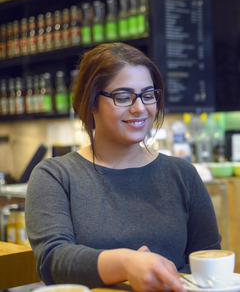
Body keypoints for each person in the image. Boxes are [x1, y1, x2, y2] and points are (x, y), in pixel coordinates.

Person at [25, 42, 221, 291]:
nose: (139, 108)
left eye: (147, 95)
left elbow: (208, 260)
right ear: (92, 102)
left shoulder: (182, 174)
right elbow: (53, 261)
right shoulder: (55, 176)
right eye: (123, 96)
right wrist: (128, 262)